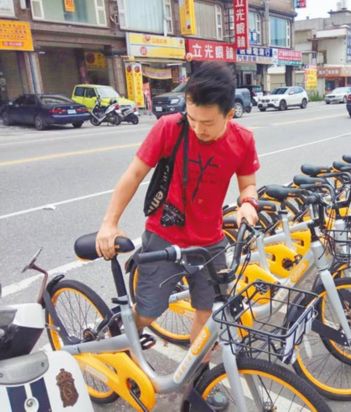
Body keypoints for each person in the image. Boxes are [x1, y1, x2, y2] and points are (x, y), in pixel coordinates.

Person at [95, 61, 260, 370]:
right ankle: (122, 343)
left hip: (210, 242)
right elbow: (133, 175)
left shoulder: (243, 140)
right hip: (164, 235)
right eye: (193, 118)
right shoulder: (170, 128)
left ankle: (197, 377)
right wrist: (109, 223)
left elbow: (248, 183)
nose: (198, 128)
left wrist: (248, 203)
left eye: (208, 123)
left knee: (206, 312)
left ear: (230, 113)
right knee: (147, 311)